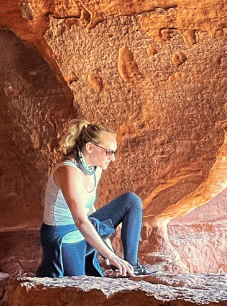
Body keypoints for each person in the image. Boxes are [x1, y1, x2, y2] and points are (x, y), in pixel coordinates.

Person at [38, 119, 147, 278]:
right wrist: (111, 256)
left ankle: (132, 266)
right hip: (64, 236)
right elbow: (80, 220)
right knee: (79, 285)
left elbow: (89, 207)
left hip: (83, 229)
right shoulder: (68, 170)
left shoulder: (95, 168)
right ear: (90, 147)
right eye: (109, 152)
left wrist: (107, 247)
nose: (113, 158)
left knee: (131, 201)